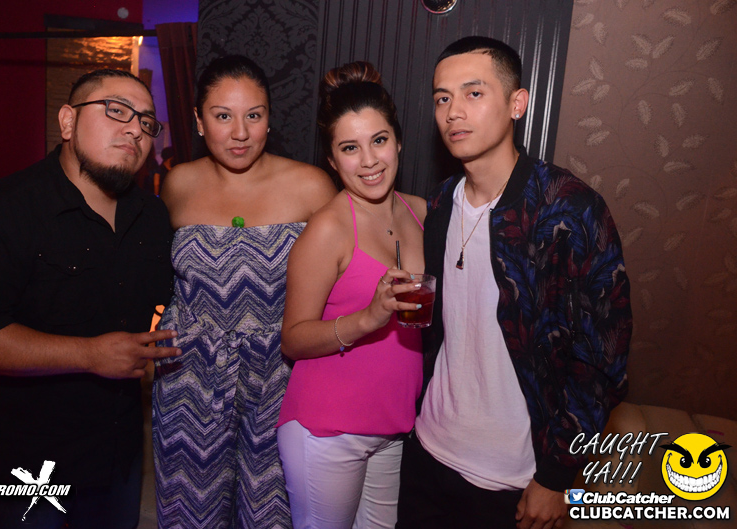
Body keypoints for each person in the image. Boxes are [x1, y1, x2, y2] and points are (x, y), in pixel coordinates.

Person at [395, 37, 632, 529]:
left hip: (515, 478)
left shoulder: (568, 210)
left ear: (516, 104)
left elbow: (602, 358)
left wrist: (557, 475)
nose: (453, 112)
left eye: (473, 93)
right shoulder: (440, 204)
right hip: (428, 453)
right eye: (442, 98)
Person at [0, 69, 179, 529]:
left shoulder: (151, 217)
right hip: (22, 465)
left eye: (147, 122)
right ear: (68, 122)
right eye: (116, 111)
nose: (135, 129)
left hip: (116, 457)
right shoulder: (1, 213)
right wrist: (88, 355)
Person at [152, 55, 336, 529]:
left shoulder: (312, 185)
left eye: (253, 115)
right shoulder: (178, 184)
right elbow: (152, 274)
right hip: (189, 378)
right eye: (223, 116)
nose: (240, 133)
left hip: (280, 377)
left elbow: (344, 276)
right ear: (198, 121)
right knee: (189, 512)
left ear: (269, 119)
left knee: (271, 513)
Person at [276, 61, 426, 529]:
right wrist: (367, 318)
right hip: (327, 427)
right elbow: (293, 339)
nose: (369, 160)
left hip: (393, 424)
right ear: (332, 160)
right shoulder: (328, 228)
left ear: (398, 142)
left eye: (379, 140)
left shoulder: (421, 213)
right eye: (349, 148)